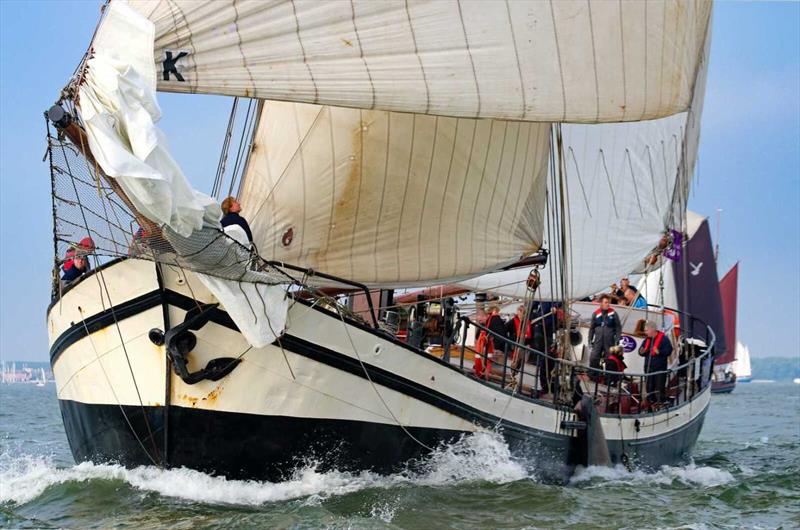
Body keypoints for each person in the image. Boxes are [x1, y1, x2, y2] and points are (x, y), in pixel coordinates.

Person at [638, 320, 673, 406]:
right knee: (649, 386)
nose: (645, 332)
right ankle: (651, 401)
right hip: (648, 367)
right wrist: (642, 351)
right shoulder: (647, 340)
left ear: (652, 329)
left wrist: (659, 352)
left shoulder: (664, 339)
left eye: (646, 330)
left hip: (659, 367)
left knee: (660, 386)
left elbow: (669, 351)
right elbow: (640, 351)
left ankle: (661, 401)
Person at [588, 294, 621, 374]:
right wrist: (589, 340)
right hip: (598, 341)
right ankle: (593, 376)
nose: (608, 304)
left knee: (610, 359)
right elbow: (592, 329)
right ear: (601, 303)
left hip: (609, 342)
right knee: (594, 358)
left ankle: (609, 378)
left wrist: (617, 339)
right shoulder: (595, 314)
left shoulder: (613, 313)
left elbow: (618, 327)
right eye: (606, 302)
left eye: (608, 302)